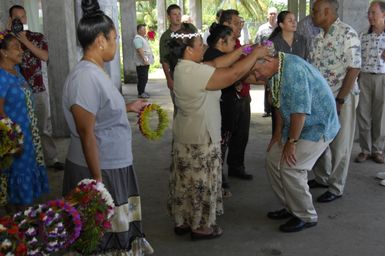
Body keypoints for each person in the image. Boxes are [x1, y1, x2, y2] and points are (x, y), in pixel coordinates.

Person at [62, 0, 152, 254]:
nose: (116, 43)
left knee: (118, 231)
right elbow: (85, 131)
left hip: (113, 165)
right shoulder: (85, 77)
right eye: (113, 38)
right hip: (101, 169)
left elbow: (97, 113)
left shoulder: (96, 72)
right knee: (102, 237)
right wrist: (97, 182)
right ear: (100, 40)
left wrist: (128, 107)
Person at [167, 28, 268, 240]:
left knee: (186, 182)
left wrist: (245, 51)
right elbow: (232, 74)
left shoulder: (184, 67)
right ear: (188, 50)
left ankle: (184, 221)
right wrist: (254, 56)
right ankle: (201, 227)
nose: (204, 47)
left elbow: (216, 64)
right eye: (199, 45)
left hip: (187, 135)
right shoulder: (194, 72)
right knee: (201, 186)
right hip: (201, 138)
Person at [255, 52, 340, 232]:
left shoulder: (294, 70)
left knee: (290, 166)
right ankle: (290, 207)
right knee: (272, 159)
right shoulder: (273, 70)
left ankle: (306, 216)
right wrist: (277, 135)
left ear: (268, 60)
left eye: (256, 71)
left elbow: (300, 112)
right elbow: (277, 103)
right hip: (297, 125)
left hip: (318, 126)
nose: (257, 77)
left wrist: (291, 142)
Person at [309, 0, 361, 203]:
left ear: (328, 11)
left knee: (340, 144)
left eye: (315, 11)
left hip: (342, 98)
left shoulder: (348, 33)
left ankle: (336, 186)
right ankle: (322, 177)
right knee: (319, 139)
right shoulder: (317, 37)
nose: (312, 15)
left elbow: (354, 69)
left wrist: (340, 100)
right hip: (320, 98)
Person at [8, 5, 64, 171]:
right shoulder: (5, 40)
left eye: (23, 17)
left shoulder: (37, 37)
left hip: (37, 89)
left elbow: (44, 56)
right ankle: (25, 162)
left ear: (26, 18)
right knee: (19, 129)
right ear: (11, 20)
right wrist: (8, 36)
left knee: (43, 127)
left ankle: (51, 159)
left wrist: (24, 41)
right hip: (14, 93)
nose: (20, 20)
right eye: (16, 18)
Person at [0, 33, 49, 210]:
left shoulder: (17, 72)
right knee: (17, 178)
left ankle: (25, 218)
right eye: (16, 47)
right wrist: (12, 140)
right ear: (4, 52)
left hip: (28, 135)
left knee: (28, 174)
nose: (21, 50)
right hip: (15, 140)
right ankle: (19, 221)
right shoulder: (1, 77)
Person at [219, 9, 254, 180]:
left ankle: (236, 166)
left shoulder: (238, 43)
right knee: (225, 135)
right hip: (229, 96)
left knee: (242, 134)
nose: (240, 26)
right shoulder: (221, 44)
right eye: (236, 22)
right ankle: (219, 173)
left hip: (244, 94)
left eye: (241, 22)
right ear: (226, 24)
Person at [203, 23, 237, 198]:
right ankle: (216, 186)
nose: (235, 42)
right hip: (218, 115)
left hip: (224, 112)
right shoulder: (215, 57)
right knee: (217, 151)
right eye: (232, 39)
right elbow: (232, 73)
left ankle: (218, 182)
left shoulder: (222, 55)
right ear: (222, 41)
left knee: (221, 150)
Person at [268, 10, 308, 134]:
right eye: (289, 20)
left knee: (297, 122)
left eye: (294, 20)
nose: (294, 22)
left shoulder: (302, 40)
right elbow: (268, 66)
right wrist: (270, 90)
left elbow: (306, 62)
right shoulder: (273, 42)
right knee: (279, 124)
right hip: (280, 86)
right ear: (281, 25)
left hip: (299, 87)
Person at [355, 1, 385, 164]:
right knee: (363, 114)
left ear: (383, 15)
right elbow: (356, 59)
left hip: (382, 78)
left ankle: (378, 149)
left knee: (381, 116)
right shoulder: (362, 36)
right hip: (364, 77)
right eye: (369, 13)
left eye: (374, 13)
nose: (370, 16)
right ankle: (365, 150)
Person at [159, 4, 197, 117]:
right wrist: (169, 79)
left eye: (179, 13)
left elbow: (199, 46)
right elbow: (164, 60)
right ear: (169, 17)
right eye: (174, 14)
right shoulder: (165, 37)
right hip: (176, 76)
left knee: (195, 107)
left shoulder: (190, 28)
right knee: (179, 109)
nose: (178, 16)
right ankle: (179, 133)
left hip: (194, 73)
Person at [255, 7, 278, 119]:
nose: (273, 16)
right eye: (271, 14)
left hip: (277, 61)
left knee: (277, 86)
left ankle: (276, 110)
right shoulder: (262, 29)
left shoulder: (280, 28)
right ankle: (267, 109)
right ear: (267, 15)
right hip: (265, 61)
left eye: (274, 14)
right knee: (268, 86)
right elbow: (257, 44)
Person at [134, 24, 154, 99]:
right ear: (138, 30)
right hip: (141, 62)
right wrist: (145, 59)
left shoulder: (143, 38)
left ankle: (143, 91)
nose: (144, 31)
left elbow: (151, 39)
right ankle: (140, 93)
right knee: (142, 78)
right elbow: (140, 49)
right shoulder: (137, 39)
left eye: (145, 29)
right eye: (143, 29)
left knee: (144, 77)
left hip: (145, 62)